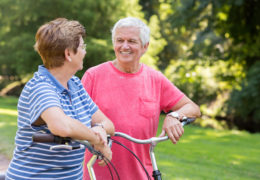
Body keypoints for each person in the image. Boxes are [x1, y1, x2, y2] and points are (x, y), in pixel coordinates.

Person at [82, 17, 201, 179]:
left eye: (131, 41)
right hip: (96, 173)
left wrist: (175, 115)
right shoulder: (93, 76)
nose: (124, 46)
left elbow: (193, 108)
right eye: (119, 40)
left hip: (142, 174)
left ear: (145, 47)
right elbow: (74, 120)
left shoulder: (155, 79)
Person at [5, 18, 115, 180]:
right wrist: (95, 138)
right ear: (68, 54)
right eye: (82, 47)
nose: (85, 51)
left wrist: (100, 129)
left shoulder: (75, 85)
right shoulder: (40, 87)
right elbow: (61, 126)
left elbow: (109, 124)